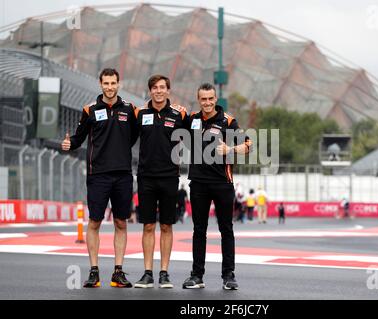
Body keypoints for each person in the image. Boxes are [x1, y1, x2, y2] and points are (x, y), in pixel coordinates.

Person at [61, 68, 138, 288]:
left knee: (121, 222)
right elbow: (78, 138)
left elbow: (133, 136)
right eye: (106, 83)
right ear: (100, 84)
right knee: (94, 221)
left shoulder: (130, 109)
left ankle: (118, 272)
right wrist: (69, 144)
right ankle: (94, 271)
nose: (110, 87)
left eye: (113, 83)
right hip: (98, 175)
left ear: (119, 84)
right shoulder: (90, 110)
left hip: (123, 175)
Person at [182, 83, 252, 290]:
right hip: (198, 183)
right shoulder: (192, 120)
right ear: (199, 99)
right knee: (198, 230)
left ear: (216, 99)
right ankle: (197, 275)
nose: (207, 102)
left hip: (223, 183)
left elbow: (249, 145)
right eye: (203, 99)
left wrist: (230, 148)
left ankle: (229, 275)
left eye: (210, 98)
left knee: (226, 229)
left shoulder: (228, 121)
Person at [133, 74, 189, 289]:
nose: (158, 91)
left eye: (162, 87)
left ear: (168, 90)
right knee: (148, 226)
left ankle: (164, 273)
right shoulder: (140, 113)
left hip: (169, 177)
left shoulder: (179, 114)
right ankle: (147, 273)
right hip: (146, 177)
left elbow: (195, 135)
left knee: (166, 225)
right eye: (154, 87)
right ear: (150, 91)